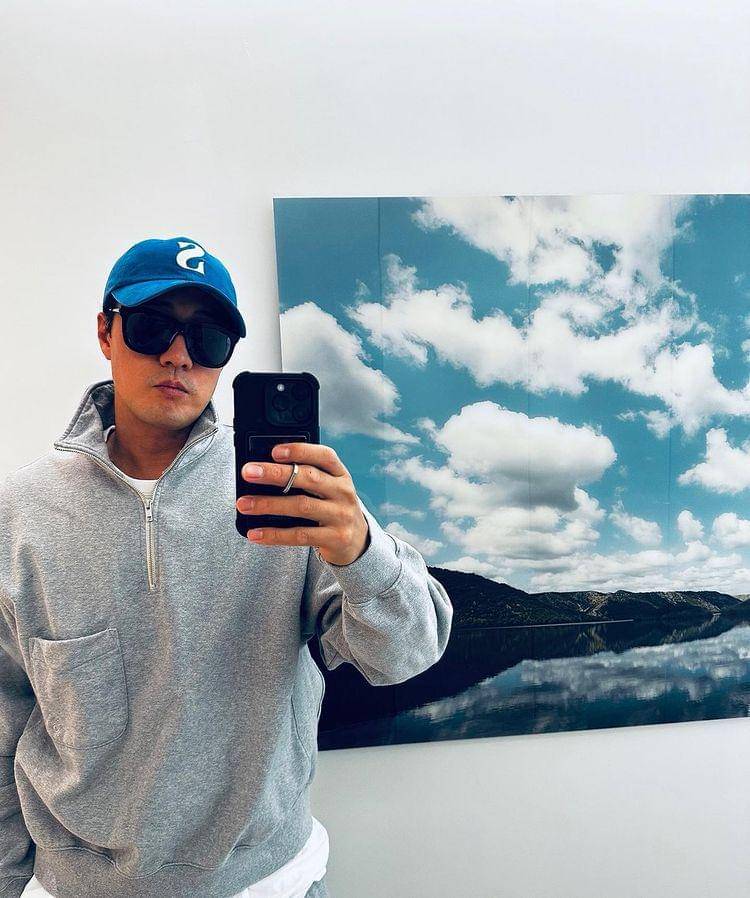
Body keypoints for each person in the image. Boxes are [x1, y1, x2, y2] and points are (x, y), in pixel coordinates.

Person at [0, 236, 454, 898]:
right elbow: (5, 716)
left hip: (271, 883)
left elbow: (406, 655)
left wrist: (361, 551)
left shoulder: (289, 493)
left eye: (208, 339)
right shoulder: (20, 512)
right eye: (152, 326)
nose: (178, 354)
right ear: (105, 332)